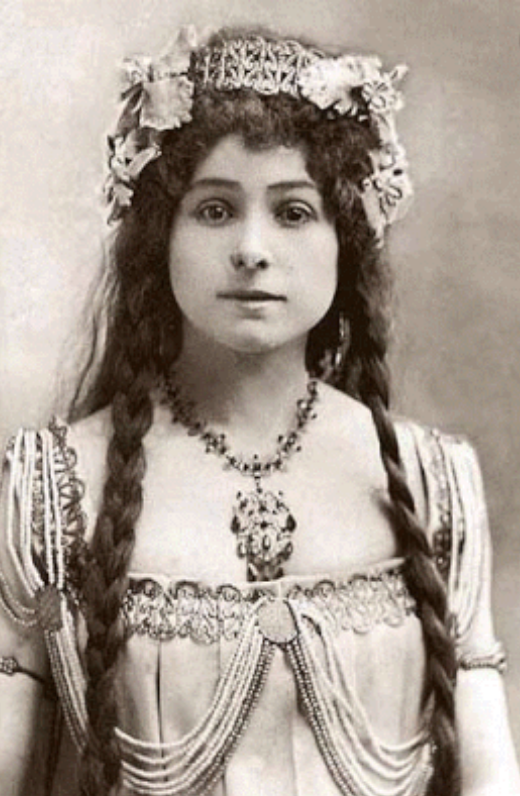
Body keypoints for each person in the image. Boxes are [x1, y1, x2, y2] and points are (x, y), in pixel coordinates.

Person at [0, 24, 518, 796]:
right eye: (214, 210)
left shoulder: (430, 478)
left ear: (347, 239)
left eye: (293, 212)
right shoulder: (53, 486)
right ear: (160, 239)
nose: (251, 248)